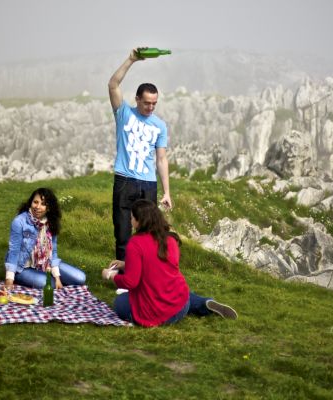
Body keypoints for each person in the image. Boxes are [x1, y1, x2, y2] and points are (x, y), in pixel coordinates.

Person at [101, 199, 237, 327]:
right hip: (180, 305)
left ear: (139, 221)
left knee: (120, 302)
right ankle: (204, 303)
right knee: (181, 294)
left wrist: (110, 275)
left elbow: (131, 282)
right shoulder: (170, 239)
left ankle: (196, 305)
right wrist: (126, 264)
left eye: (132, 217)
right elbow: (155, 265)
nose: (130, 221)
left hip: (153, 312)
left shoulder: (135, 243)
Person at [107, 47, 173, 262]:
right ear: (137, 99)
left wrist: (166, 192)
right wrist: (131, 59)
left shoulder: (159, 125)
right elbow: (113, 84)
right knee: (123, 232)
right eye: (146, 103)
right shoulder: (124, 113)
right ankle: (124, 278)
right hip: (125, 180)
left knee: (148, 235)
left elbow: (161, 159)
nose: (150, 107)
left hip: (148, 183)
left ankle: (144, 274)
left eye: (154, 103)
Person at [4, 187, 86, 291]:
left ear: (49, 208)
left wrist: (57, 277)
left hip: (46, 263)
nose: (38, 207)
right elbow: (13, 252)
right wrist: (9, 280)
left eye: (43, 204)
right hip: (23, 267)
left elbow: (53, 252)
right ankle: (33, 278)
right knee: (48, 284)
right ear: (30, 202)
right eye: (35, 202)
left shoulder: (51, 222)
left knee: (80, 278)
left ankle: (48, 276)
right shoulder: (19, 221)